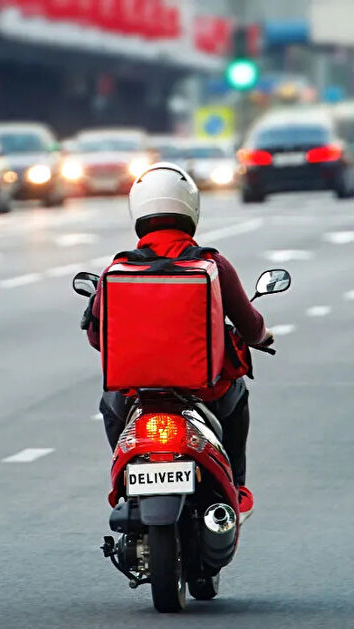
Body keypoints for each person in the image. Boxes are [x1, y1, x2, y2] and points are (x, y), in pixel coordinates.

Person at [82, 162, 274, 517]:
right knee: (238, 396)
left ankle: (124, 484)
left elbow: (97, 337)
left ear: (137, 210)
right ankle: (238, 489)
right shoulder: (213, 264)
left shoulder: (117, 269)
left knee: (109, 405)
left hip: (136, 395)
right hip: (205, 394)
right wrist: (262, 336)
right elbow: (249, 324)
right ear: (192, 210)